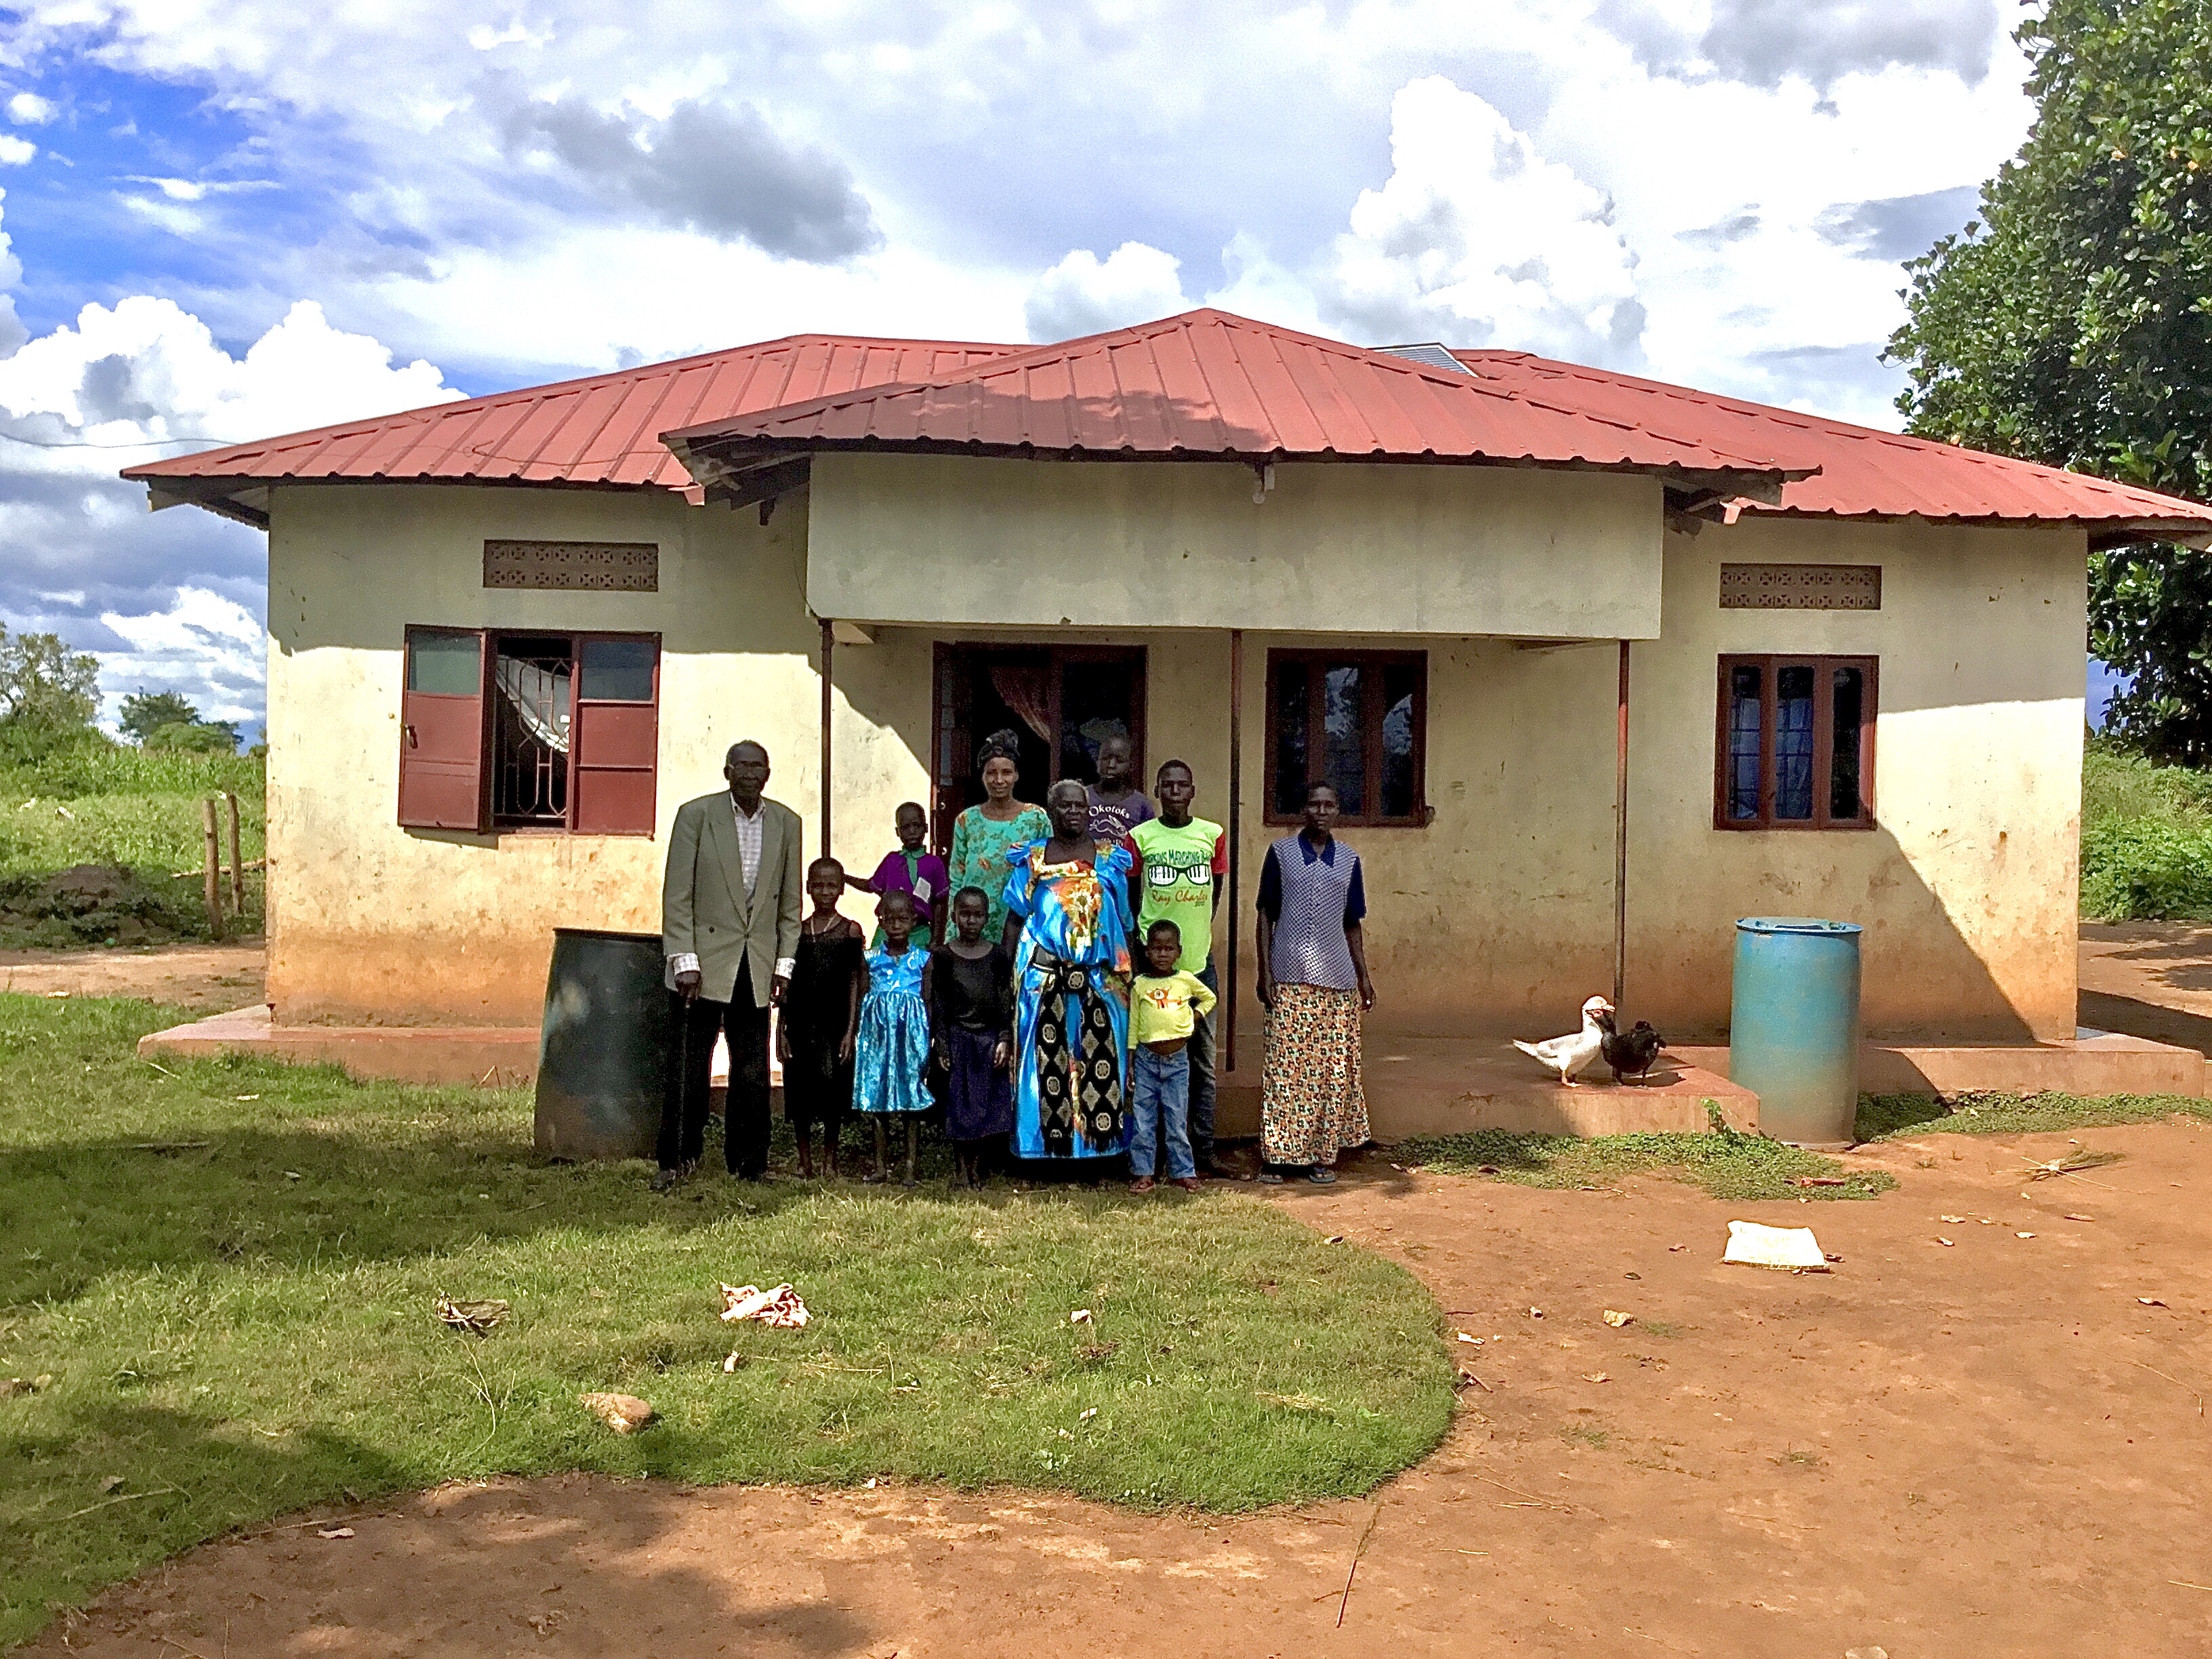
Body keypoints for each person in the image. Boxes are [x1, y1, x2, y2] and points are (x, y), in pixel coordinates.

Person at [657, 740, 804, 1189]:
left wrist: (783, 966)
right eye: (741, 765)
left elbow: (790, 905)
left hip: (755, 964)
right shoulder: (695, 817)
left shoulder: (786, 823)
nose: (750, 773)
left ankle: (749, 1164)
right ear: (726, 772)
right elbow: (677, 895)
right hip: (699, 965)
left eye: (758, 766)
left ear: (768, 773)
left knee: (752, 1069)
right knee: (688, 1065)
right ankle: (678, 1160)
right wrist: (684, 959)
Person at [1003, 777, 1136, 1163]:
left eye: (1081, 805)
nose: (1074, 811)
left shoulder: (1111, 858)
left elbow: (1125, 923)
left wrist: (1134, 974)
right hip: (1042, 979)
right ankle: (1045, 1152)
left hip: (1102, 981)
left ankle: (1100, 1149)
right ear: (1051, 811)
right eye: (1065, 806)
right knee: (1042, 1062)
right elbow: (1015, 920)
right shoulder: (1032, 860)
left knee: (1104, 1059)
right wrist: (1004, 975)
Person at [1255, 781, 1375, 1185]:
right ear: (1303, 810)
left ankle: (1323, 1156)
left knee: (1331, 1071)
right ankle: (1279, 1156)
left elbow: (1352, 924)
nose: (1321, 811)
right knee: (1285, 1069)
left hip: (1338, 982)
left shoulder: (1350, 861)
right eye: (1314, 804)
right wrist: (1264, 972)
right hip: (1289, 977)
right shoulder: (1281, 854)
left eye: (1329, 804)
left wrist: (1363, 977)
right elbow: (1265, 916)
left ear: (1337, 810)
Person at [1128, 759, 1228, 1173]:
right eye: (1166, 785)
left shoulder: (1213, 835)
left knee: (1202, 1065)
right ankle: (1148, 1157)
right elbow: (1133, 896)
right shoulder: (1140, 837)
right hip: (1152, 971)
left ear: (1192, 791)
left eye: (1181, 785)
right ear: (1157, 790)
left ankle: (1200, 1151)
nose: (1174, 792)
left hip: (1196, 970)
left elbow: (1216, 891)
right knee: (1148, 1062)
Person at [779, 856, 862, 1180]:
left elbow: (856, 981)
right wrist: (781, 1031)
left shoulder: (850, 931)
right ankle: (804, 1161)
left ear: (841, 889)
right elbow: (785, 985)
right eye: (819, 885)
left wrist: (850, 1031)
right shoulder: (796, 933)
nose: (825, 891)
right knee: (799, 1092)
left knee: (833, 1093)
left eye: (832, 885)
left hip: (835, 1024)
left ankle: (831, 1159)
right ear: (809, 888)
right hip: (800, 1024)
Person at [926, 885, 1015, 1188]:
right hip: (958, 1039)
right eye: (965, 914)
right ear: (954, 916)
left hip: (988, 1041)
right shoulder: (945, 956)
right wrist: (941, 1043)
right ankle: (960, 1169)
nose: (971, 921)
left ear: (987, 918)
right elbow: (939, 1002)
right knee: (958, 1106)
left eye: (978, 915)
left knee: (986, 1106)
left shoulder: (998, 956)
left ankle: (977, 1168)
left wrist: (1004, 1038)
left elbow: (1005, 999)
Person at [1127, 918, 1215, 1195]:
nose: (1162, 954)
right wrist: (1131, 1058)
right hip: (1145, 1060)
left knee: (1177, 1119)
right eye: (1156, 949)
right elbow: (1134, 1023)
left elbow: (1209, 998)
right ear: (1147, 951)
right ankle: (1143, 1173)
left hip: (1178, 1061)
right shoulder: (1140, 984)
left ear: (1179, 951)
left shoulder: (1186, 980)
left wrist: (1194, 1016)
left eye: (1168, 949)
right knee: (1144, 1120)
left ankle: (1183, 1172)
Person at [853, 888, 933, 1186]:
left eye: (903, 918)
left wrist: (930, 1039)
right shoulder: (870, 958)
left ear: (914, 921)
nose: (896, 924)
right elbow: (861, 996)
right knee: (877, 1098)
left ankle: (910, 1168)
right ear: (880, 921)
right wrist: (859, 1035)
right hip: (877, 1036)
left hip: (911, 1038)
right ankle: (880, 1167)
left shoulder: (924, 960)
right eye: (890, 919)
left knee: (911, 1099)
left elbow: (928, 1003)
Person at [947, 729, 1050, 944]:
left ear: (1017, 775)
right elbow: (957, 878)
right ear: (983, 777)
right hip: (973, 925)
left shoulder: (1036, 818)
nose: (999, 780)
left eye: (1006, 772)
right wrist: (954, 923)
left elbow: (1049, 873)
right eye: (991, 773)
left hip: (1020, 923)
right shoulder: (967, 820)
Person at [848, 800, 951, 947]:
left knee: (919, 969)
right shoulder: (892, 860)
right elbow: (872, 886)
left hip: (920, 932)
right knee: (879, 966)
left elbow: (939, 904)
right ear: (898, 832)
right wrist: (845, 878)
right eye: (906, 827)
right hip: (888, 932)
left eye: (917, 826)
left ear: (926, 828)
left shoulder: (934, 863)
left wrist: (936, 939)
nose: (912, 831)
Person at [1086, 732, 1155, 842]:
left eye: (1119, 761)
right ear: (1097, 761)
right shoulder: (1083, 797)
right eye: (1106, 759)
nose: (1111, 765)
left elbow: (1148, 842)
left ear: (1131, 766)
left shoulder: (1141, 804)